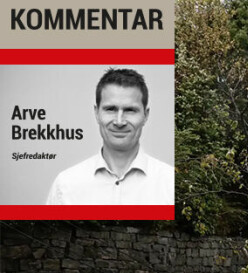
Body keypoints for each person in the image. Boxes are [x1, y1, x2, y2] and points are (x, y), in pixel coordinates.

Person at [46, 68, 173, 205]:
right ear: (97, 113)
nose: (119, 122)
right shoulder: (66, 185)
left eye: (130, 110)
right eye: (110, 109)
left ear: (145, 115)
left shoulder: (170, 183)